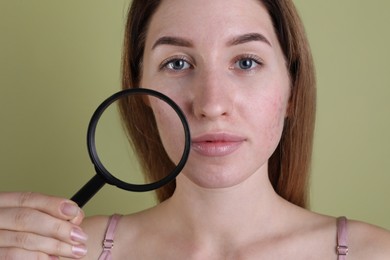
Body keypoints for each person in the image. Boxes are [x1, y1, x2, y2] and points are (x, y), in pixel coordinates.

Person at [1, 0, 390, 259]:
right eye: (177, 64)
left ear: (292, 91)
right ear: (142, 94)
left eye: (247, 62)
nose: (211, 105)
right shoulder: (65, 251)